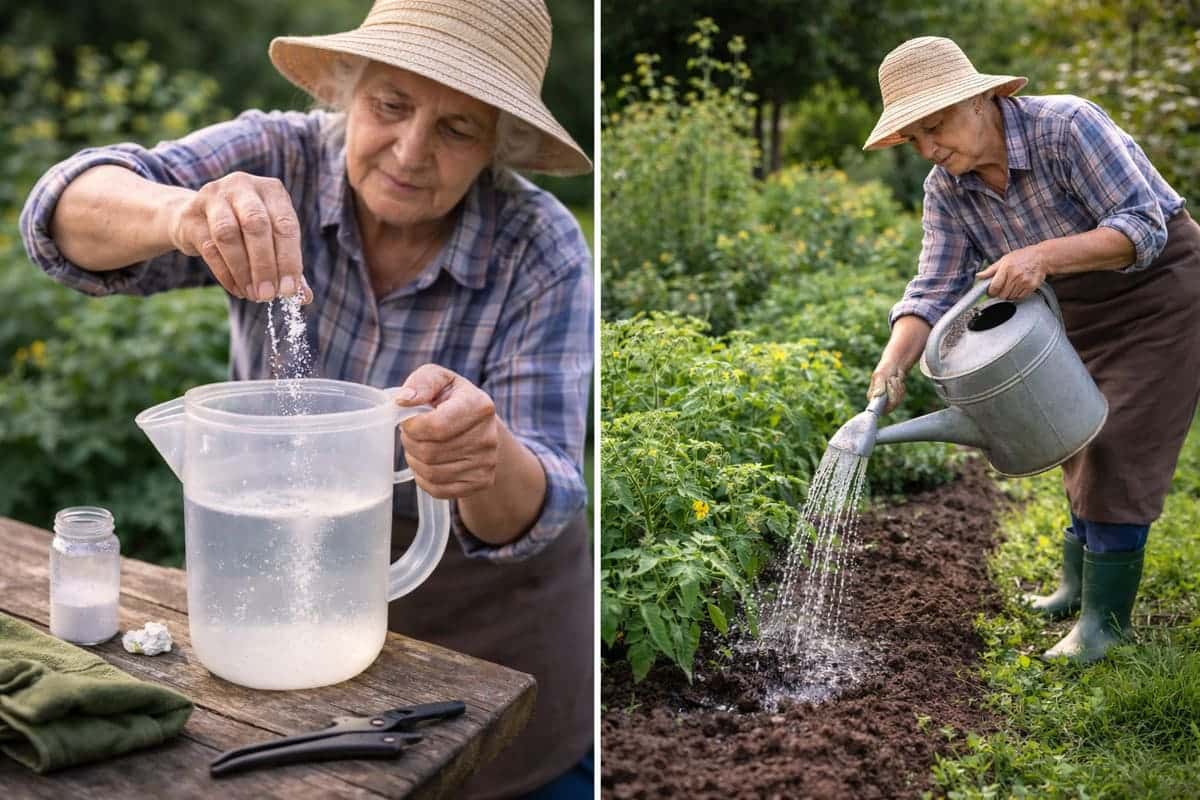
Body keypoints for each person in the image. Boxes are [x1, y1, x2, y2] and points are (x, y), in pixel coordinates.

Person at [19, 1, 593, 796]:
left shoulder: (540, 247)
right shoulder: (280, 160)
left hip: (492, 634)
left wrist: (481, 457)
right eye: (390, 105)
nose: (411, 150)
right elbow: (58, 215)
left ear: (501, 144)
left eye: (458, 128)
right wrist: (184, 214)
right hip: (278, 609)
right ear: (348, 90)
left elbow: (546, 494)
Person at [861, 36, 1200, 664]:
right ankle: (1077, 588)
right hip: (1071, 307)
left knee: (1118, 441)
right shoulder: (947, 188)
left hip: (1160, 293)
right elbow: (934, 286)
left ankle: (1106, 624)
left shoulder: (1066, 128)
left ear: (979, 99)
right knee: (1073, 431)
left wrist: (1040, 256)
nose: (929, 149)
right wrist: (894, 362)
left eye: (935, 127)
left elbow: (1143, 225)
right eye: (914, 139)